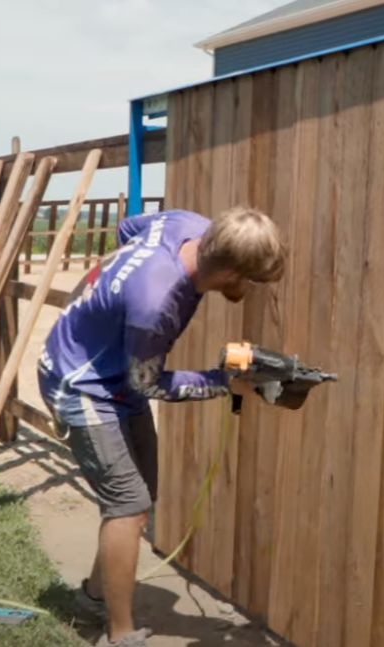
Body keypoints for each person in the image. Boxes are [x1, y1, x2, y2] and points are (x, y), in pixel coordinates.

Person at [36, 205, 287, 646]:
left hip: (118, 372)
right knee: (128, 506)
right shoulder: (155, 304)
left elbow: (126, 227)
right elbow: (147, 383)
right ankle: (120, 635)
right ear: (230, 272)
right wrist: (222, 383)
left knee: (139, 500)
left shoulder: (187, 226)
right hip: (79, 382)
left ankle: (94, 598)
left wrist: (115, 306)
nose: (252, 289)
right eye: (252, 280)